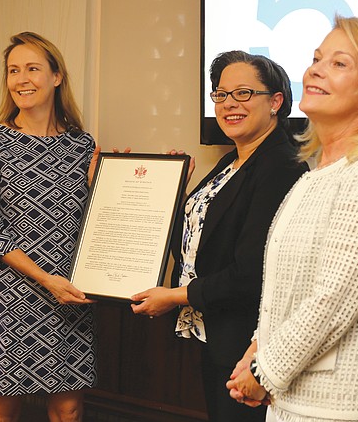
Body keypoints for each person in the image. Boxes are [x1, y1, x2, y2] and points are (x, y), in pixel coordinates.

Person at [227, 16, 358, 422]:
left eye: (339, 63)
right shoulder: (318, 175)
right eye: (316, 58)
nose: (315, 70)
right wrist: (257, 351)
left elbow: (332, 300)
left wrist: (264, 372)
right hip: (294, 402)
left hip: (344, 410)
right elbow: (288, 291)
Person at [130, 51, 309, 421]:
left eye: (243, 93)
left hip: (249, 341)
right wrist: (159, 189)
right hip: (216, 331)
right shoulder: (232, 159)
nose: (229, 104)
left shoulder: (281, 165)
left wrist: (174, 296)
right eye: (221, 94)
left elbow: (250, 272)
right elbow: (202, 239)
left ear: (276, 101)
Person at [0, 32, 98, 422]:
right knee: (1, 411)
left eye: (32, 69)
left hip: (68, 296)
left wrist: (150, 182)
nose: (21, 78)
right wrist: (46, 280)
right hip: (8, 296)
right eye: (13, 70)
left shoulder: (81, 144)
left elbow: (97, 222)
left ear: (56, 77)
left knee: (68, 409)